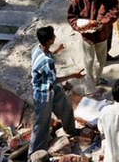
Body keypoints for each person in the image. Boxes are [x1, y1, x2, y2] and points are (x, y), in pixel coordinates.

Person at [29, 26, 84, 157]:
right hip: (44, 95)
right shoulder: (47, 62)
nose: (55, 38)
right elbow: (54, 80)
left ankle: (71, 130)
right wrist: (74, 75)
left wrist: (57, 50)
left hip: (51, 89)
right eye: (53, 37)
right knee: (41, 125)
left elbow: (48, 55)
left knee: (66, 107)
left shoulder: (37, 49)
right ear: (48, 41)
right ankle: (34, 154)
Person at [67, 0, 119, 95]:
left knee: (101, 61)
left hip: (102, 35)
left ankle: (96, 79)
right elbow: (71, 16)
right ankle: (90, 90)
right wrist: (79, 26)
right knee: (88, 62)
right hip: (87, 37)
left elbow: (115, 10)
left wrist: (103, 23)